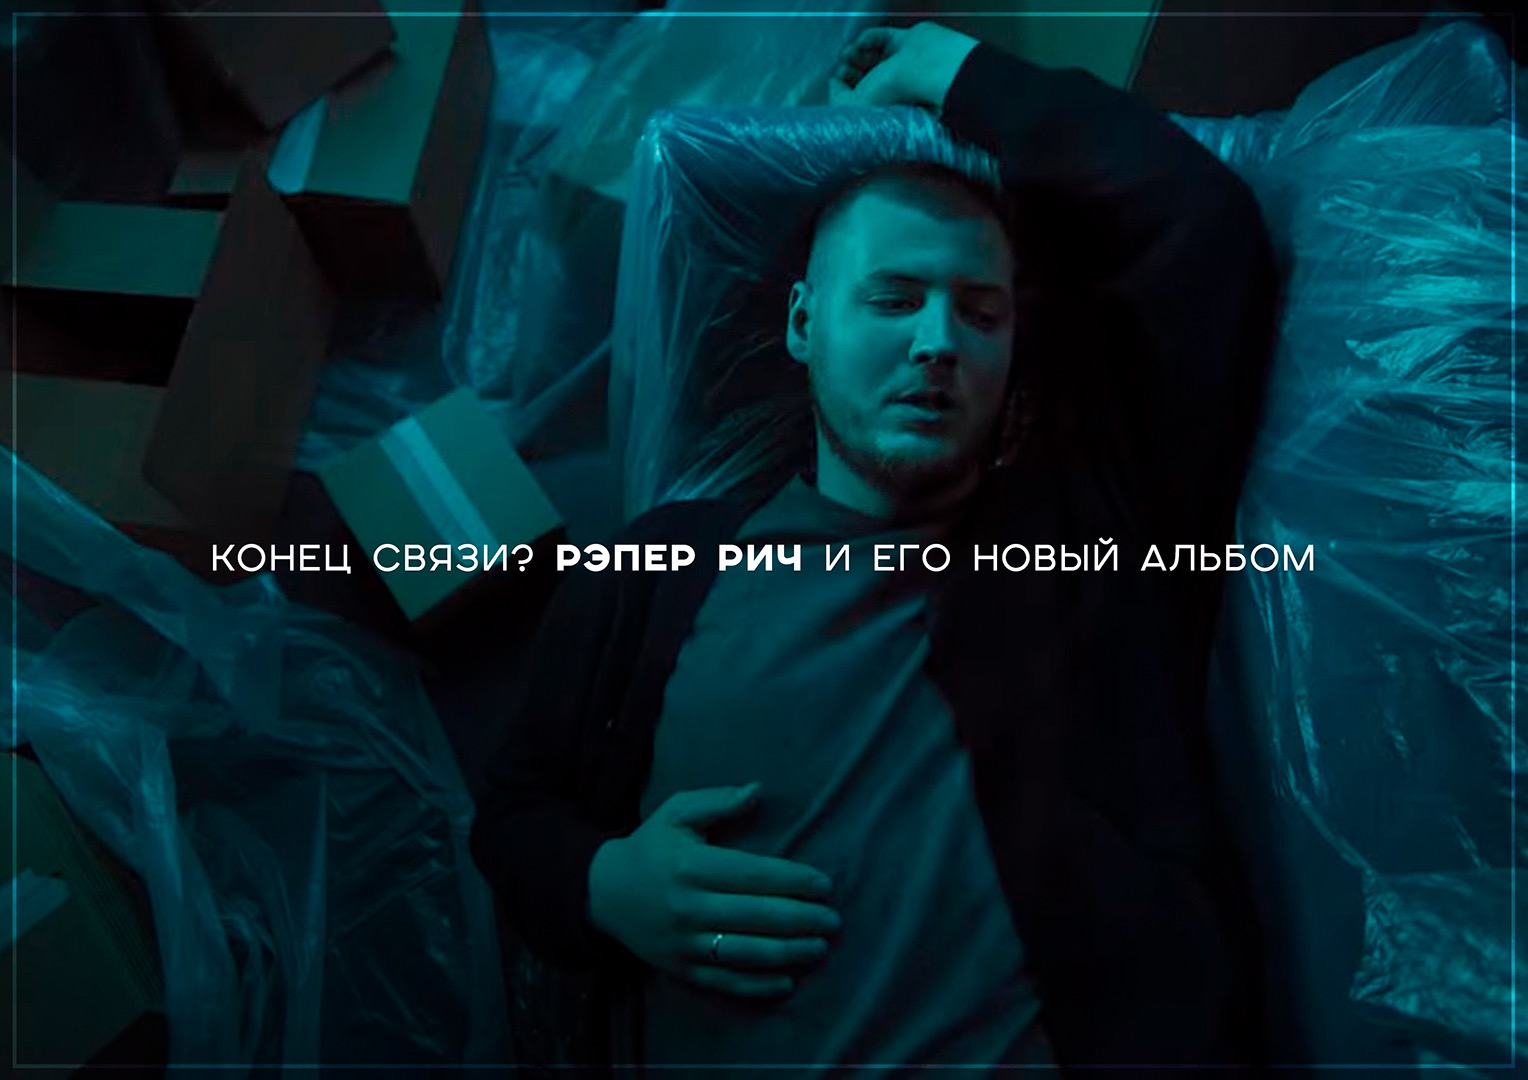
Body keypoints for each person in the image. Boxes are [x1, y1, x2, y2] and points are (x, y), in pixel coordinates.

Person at [471, 20, 1279, 1075]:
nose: (936, 341)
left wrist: (948, 66)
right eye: (893, 299)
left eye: (979, 314)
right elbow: (514, 812)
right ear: (804, 324)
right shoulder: (660, 567)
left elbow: (1200, 228)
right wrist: (601, 885)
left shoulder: (1086, 543)